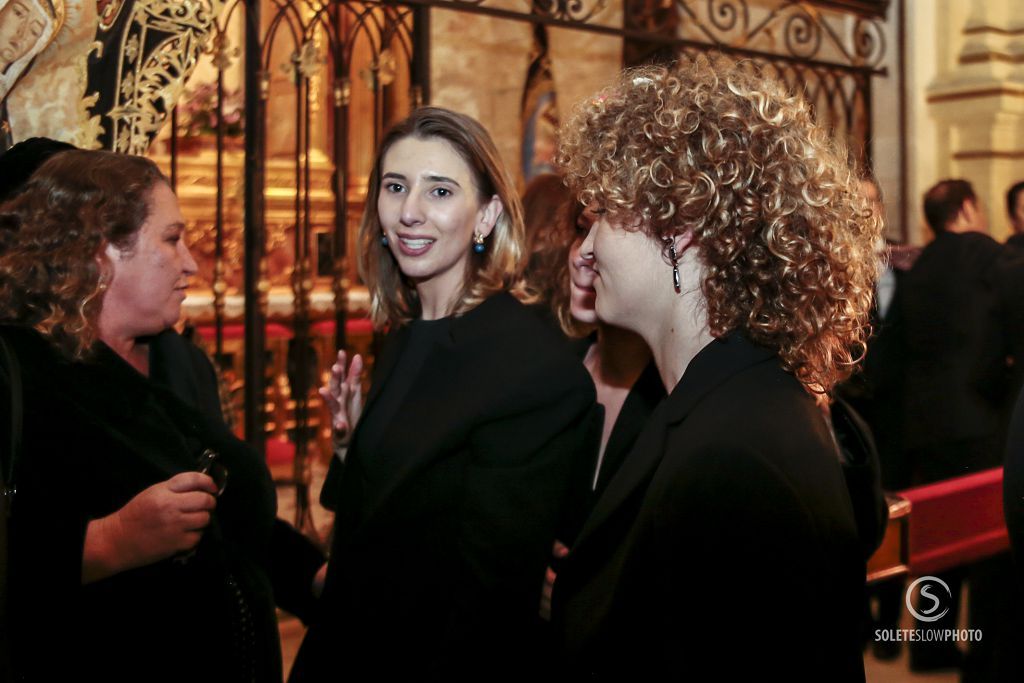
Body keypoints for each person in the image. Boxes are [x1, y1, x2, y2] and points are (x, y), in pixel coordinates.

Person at [552, 57, 879, 681]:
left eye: (604, 217)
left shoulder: (733, 451)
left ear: (679, 230)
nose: (587, 249)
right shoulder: (727, 401)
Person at [289, 107, 595, 681]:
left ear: (486, 216)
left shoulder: (530, 368)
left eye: (440, 191)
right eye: (396, 186)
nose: (409, 211)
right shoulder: (408, 334)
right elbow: (385, 522)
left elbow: (490, 609)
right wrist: (354, 444)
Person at [0, 149, 323, 681]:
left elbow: (234, 516)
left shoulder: (181, 359)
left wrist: (313, 575)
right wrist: (110, 541)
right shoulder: (18, 373)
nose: (192, 261)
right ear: (100, 253)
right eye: (172, 239)